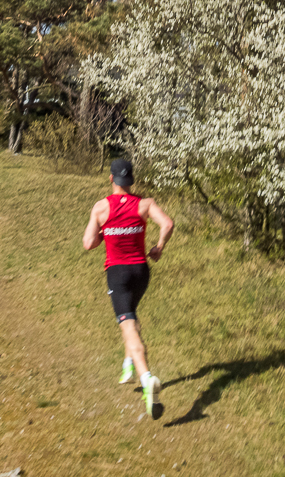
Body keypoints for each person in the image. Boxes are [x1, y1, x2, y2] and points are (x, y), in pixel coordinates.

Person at [82, 158, 173, 419]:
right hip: (141, 272)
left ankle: (146, 379)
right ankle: (127, 364)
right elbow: (167, 224)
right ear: (131, 180)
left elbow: (89, 243)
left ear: (111, 179)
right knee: (130, 316)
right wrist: (159, 247)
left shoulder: (101, 208)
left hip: (118, 274)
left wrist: (106, 232)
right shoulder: (145, 204)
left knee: (128, 324)